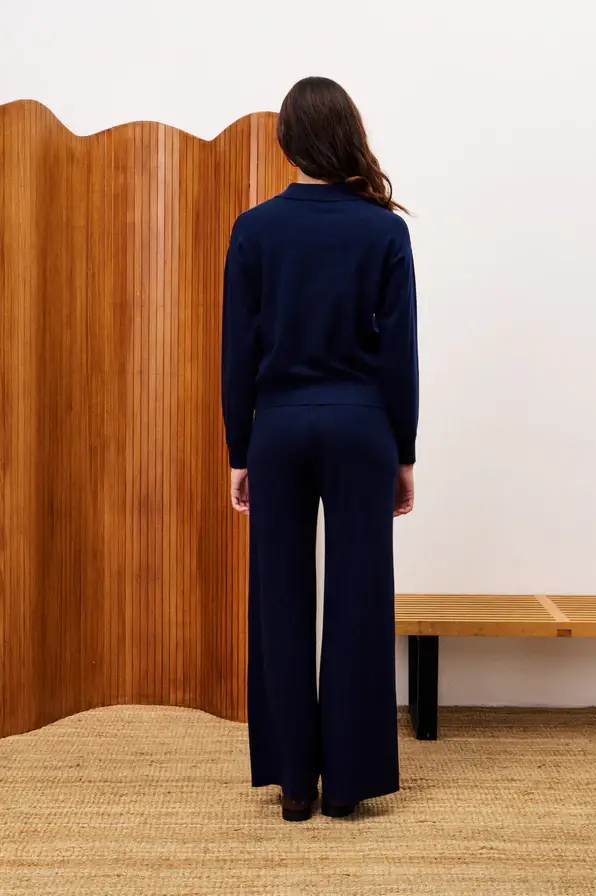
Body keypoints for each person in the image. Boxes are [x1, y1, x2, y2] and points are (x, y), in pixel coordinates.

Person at [222, 76, 418, 822]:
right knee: (360, 595)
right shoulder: (383, 231)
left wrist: (240, 448)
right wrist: (404, 451)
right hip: (362, 427)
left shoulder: (254, 229)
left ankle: (294, 782)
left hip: (278, 428)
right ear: (348, 134)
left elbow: (238, 351)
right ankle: (348, 784)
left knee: (279, 595)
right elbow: (399, 355)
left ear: (286, 143)